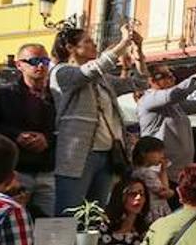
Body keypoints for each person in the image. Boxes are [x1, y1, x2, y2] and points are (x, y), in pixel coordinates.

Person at [50, 23, 148, 217]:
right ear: (70, 48)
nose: (94, 45)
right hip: (77, 156)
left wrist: (140, 53)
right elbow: (91, 70)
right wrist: (123, 42)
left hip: (106, 155)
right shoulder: (61, 72)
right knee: (69, 213)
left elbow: (140, 83)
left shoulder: (102, 79)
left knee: (95, 215)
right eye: (87, 42)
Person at [0, 43, 58, 217]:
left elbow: (64, 129)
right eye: (34, 61)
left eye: (45, 61)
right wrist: (17, 136)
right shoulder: (3, 95)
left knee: (46, 225)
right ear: (19, 65)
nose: (40, 66)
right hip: (16, 170)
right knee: (11, 219)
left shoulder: (56, 96)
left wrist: (47, 139)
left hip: (47, 170)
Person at [138, 61, 196, 177]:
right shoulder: (149, 99)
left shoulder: (174, 104)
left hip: (179, 173)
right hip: (159, 173)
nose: (172, 78)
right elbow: (176, 93)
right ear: (152, 81)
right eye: (166, 75)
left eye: (171, 75)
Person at [102, 174, 153, 245]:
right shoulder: (104, 226)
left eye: (142, 194)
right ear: (120, 197)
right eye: (133, 194)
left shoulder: (144, 232)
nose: (138, 198)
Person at [132, 136, 175, 220]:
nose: (162, 156)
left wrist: (163, 170)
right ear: (144, 153)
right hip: (155, 214)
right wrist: (172, 192)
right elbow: (164, 192)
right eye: (159, 152)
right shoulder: (146, 174)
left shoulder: (137, 171)